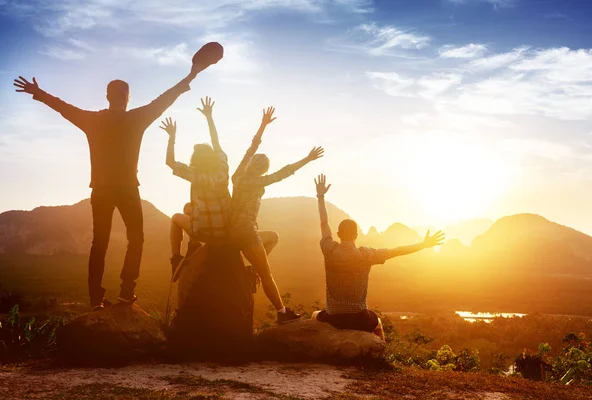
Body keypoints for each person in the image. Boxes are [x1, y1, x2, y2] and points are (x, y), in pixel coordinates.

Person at [13, 66, 202, 311]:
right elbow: (166, 98)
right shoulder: (137, 118)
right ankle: (126, 292)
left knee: (99, 243)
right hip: (127, 189)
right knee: (136, 239)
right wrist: (191, 74)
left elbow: (63, 108)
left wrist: (38, 92)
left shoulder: (93, 120)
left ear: (107, 97)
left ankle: (95, 300)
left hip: (101, 190)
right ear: (127, 97)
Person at [312, 174, 445, 339]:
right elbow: (397, 251)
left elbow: (324, 223)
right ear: (356, 234)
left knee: (314, 315)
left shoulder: (329, 249)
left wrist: (321, 196)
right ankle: (381, 355)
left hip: (333, 318)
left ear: (338, 234)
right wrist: (424, 245)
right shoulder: (366, 254)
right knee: (378, 323)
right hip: (359, 318)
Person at [230, 106, 325, 324]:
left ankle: (252, 268)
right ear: (263, 170)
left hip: (232, 229)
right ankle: (282, 312)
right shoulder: (260, 180)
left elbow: (250, 149)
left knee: (272, 235)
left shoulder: (237, 177)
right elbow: (285, 172)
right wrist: (308, 159)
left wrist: (263, 125)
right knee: (267, 274)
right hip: (246, 230)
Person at [160, 97, 230, 284]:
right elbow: (217, 143)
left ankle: (176, 259)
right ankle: (193, 246)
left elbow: (170, 162)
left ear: (195, 159)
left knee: (176, 217)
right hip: (225, 228)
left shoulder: (196, 175)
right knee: (187, 207)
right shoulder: (223, 169)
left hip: (205, 231)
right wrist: (209, 117)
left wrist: (172, 138)